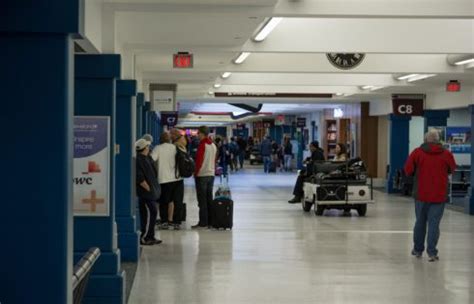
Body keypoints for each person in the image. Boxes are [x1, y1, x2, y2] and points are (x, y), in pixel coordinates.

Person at [404, 130, 456, 262]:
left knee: (420, 222)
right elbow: (452, 169)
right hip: (439, 195)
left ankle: (418, 250)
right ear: (438, 140)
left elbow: (408, 170)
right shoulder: (446, 154)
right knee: (434, 224)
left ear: (426, 140)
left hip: (421, 194)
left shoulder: (417, 153)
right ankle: (432, 253)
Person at [151, 132, 182, 230]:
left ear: (160, 139)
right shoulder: (175, 148)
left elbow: (151, 159)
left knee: (164, 201)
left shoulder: (158, 148)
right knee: (177, 201)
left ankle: (164, 221)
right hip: (177, 178)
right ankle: (176, 222)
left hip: (163, 179)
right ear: (169, 139)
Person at [135, 138, 162, 245]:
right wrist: (149, 189)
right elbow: (139, 177)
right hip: (146, 193)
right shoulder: (139, 160)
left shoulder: (147, 158)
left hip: (150, 191)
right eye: (148, 146)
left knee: (150, 213)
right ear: (144, 148)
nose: (149, 148)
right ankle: (146, 236)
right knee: (151, 213)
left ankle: (149, 235)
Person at [192, 126, 218, 229]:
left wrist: (195, 173)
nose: (197, 135)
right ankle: (210, 221)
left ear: (203, 134)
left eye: (198, 133)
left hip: (202, 175)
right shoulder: (213, 146)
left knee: (202, 200)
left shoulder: (202, 145)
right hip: (211, 174)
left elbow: (199, 161)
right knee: (209, 199)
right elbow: (214, 160)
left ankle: (203, 223)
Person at [169, 128, 188, 229]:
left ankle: (169, 219)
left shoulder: (173, 147)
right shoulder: (183, 146)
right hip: (180, 176)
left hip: (172, 176)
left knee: (169, 199)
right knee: (179, 200)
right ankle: (178, 221)